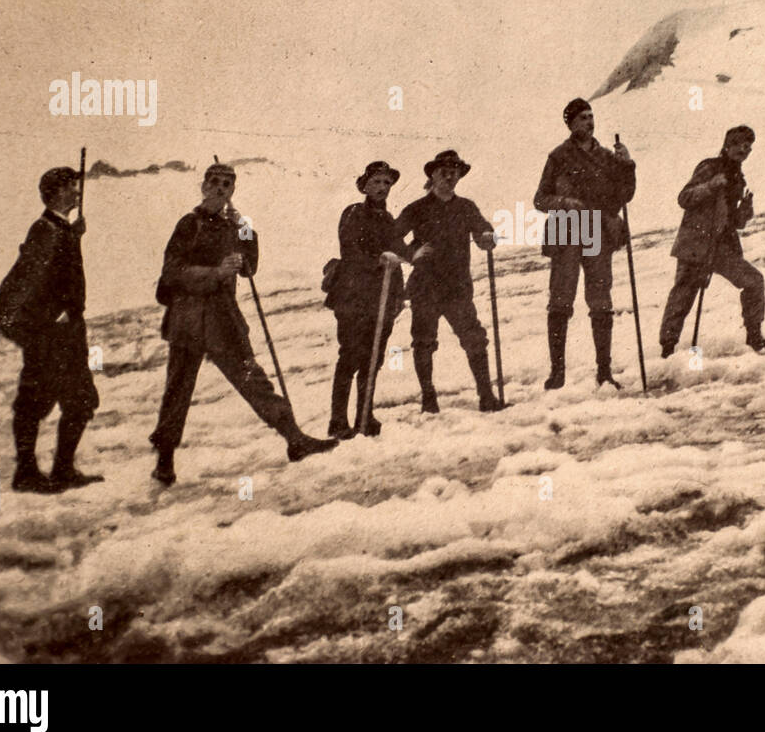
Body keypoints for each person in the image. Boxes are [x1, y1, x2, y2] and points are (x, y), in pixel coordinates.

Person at [148, 162, 335, 485]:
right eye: (215, 182)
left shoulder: (233, 225)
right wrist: (216, 273)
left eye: (227, 184)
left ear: (232, 191)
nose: (220, 188)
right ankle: (164, 462)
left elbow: (250, 267)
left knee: (253, 378)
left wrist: (245, 228)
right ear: (203, 186)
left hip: (223, 319)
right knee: (178, 389)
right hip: (189, 320)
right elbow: (171, 272)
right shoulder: (188, 224)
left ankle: (294, 438)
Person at [0, 167, 102, 493]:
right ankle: (26, 473)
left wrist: (74, 235)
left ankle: (63, 470)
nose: (77, 192)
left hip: (67, 334)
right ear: (55, 193)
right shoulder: (45, 230)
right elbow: (29, 280)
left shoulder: (59, 228)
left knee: (80, 400)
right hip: (51, 335)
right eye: (71, 187)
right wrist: (48, 318)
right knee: (35, 402)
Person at [533, 98, 636, 389]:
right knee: (561, 301)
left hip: (598, 232)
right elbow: (540, 199)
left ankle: (604, 373)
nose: (589, 122)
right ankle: (558, 374)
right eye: (582, 118)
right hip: (567, 233)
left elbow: (625, 195)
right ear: (570, 124)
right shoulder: (558, 157)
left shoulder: (607, 157)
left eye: (591, 117)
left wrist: (627, 164)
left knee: (601, 300)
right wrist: (565, 202)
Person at [393, 150, 502, 414]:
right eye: (444, 171)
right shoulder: (416, 209)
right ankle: (429, 399)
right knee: (424, 342)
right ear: (433, 174)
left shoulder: (466, 207)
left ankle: (486, 396)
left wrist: (488, 237)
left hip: (457, 289)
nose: (450, 176)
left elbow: (482, 230)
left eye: (455, 172)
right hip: (425, 289)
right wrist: (410, 254)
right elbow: (392, 237)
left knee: (474, 338)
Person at [658, 125, 765, 357]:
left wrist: (746, 210)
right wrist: (711, 186)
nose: (746, 149)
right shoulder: (709, 167)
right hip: (697, 245)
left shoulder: (739, 179)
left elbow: (736, 222)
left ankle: (754, 337)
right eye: (741, 144)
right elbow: (685, 197)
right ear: (728, 145)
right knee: (683, 297)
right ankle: (667, 349)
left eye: (749, 147)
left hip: (722, 247)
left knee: (753, 281)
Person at [327, 161, 407, 438]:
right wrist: (378, 261)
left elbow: (398, 254)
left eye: (386, 183)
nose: (382, 188)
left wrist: (399, 293)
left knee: (373, 359)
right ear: (365, 185)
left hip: (382, 299)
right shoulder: (353, 214)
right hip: (352, 297)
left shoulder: (389, 219)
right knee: (350, 356)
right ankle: (338, 421)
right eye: (376, 182)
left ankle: (364, 415)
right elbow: (350, 251)